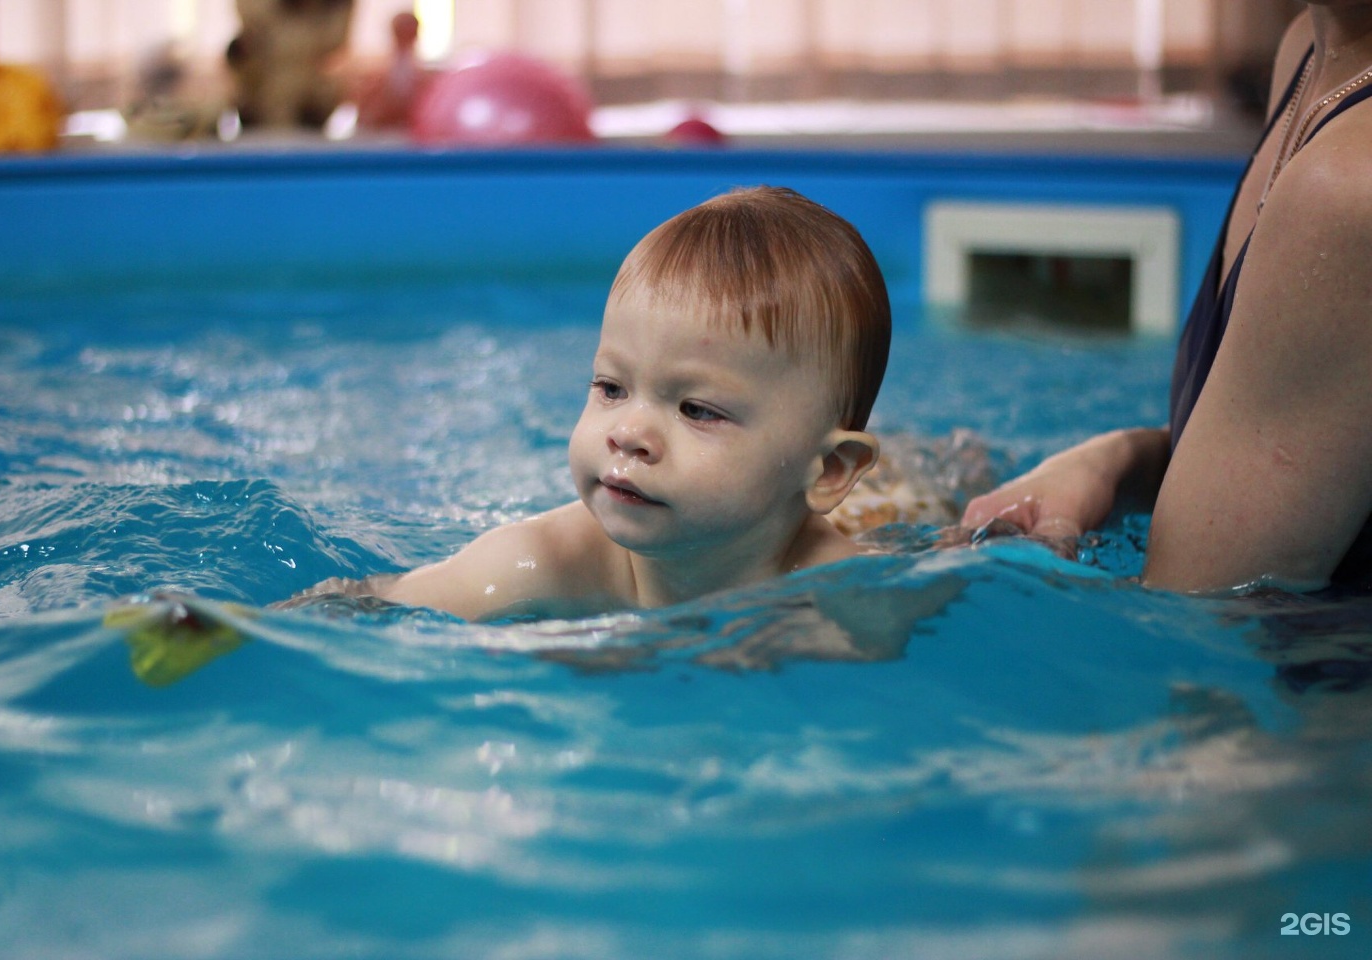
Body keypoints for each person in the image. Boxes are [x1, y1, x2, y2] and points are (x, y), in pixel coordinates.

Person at [288, 186, 890, 621]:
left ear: (830, 470)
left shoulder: (850, 604)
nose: (627, 432)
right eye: (611, 388)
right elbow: (358, 608)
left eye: (697, 410)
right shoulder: (536, 563)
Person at [960, 2, 1372, 594]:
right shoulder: (1308, 53)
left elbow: (1194, 644)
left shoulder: (1348, 183)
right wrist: (1110, 459)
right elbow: (1283, 447)